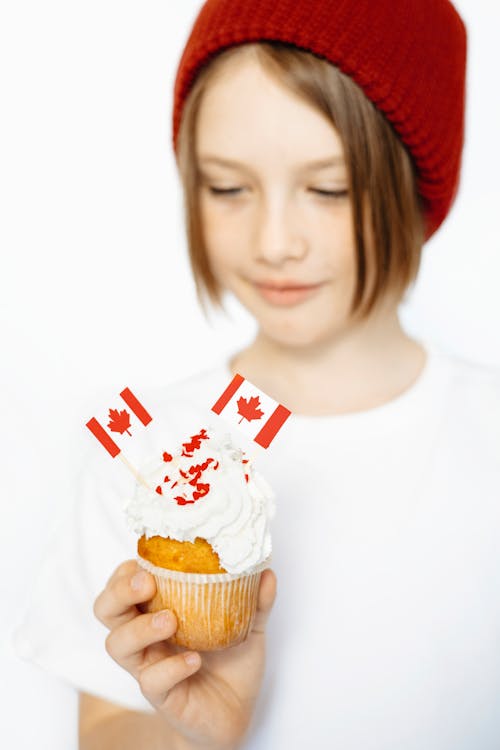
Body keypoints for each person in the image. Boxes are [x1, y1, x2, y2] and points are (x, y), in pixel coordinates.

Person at [13, 0, 500, 748]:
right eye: (228, 189)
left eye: (329, 189)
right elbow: (106, 727)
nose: (275, 242)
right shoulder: (150, 455)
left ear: (414, 185)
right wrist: (195, 733)